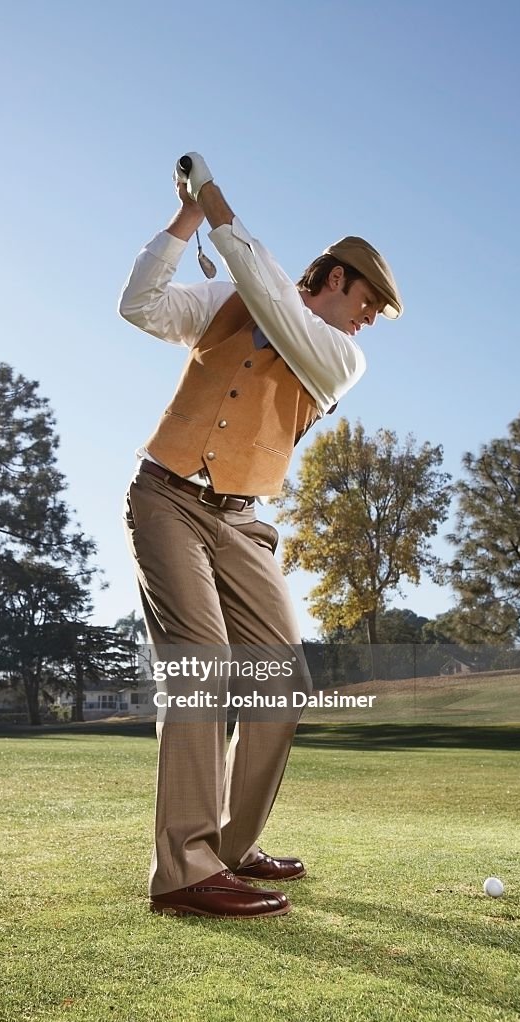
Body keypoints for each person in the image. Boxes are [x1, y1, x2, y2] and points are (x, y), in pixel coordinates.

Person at [118, 153, 402, 918]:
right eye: (370, 301)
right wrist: (185, 218)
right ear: (337, 277)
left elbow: (275, 300)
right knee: (203, 667)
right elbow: (140, 305)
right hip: (166, 498)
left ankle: (231, 849)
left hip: (243, 522)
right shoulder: (224, 296)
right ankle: (183, 871)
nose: (370, 320)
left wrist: (215, 200)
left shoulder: (341, 356)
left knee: (283, 682)